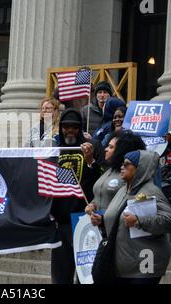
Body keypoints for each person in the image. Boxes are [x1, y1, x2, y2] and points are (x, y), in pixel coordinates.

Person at [91, 150, 171, 284]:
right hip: (124, 265)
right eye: (122, 164)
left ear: (139, 169)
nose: (122, 167)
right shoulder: (123, 190)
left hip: (144, 267)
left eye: (127, 164)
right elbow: (120, 217)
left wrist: (138, 221)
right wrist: (102, 220)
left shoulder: (151, 191)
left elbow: (169, 221)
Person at [50, 108, 105, 284]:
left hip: (84, 219)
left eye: (74, 127)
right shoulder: (54, 151)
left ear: (80, 128)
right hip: (61, 223)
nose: (70, 130)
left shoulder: (93, 146)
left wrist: (90, 162)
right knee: (61, 276)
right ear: (61, 128)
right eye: (66, 126)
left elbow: (104, 179)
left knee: (86, 276)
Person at [85, 131, 146, 213]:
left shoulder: (130, 175)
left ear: (121, 151)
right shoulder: (109, 170)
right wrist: (93, 204)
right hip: (99, 223)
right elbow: (99, 195)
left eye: (110, 147)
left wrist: (105, 219)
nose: (105, 149)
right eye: (107, 146)